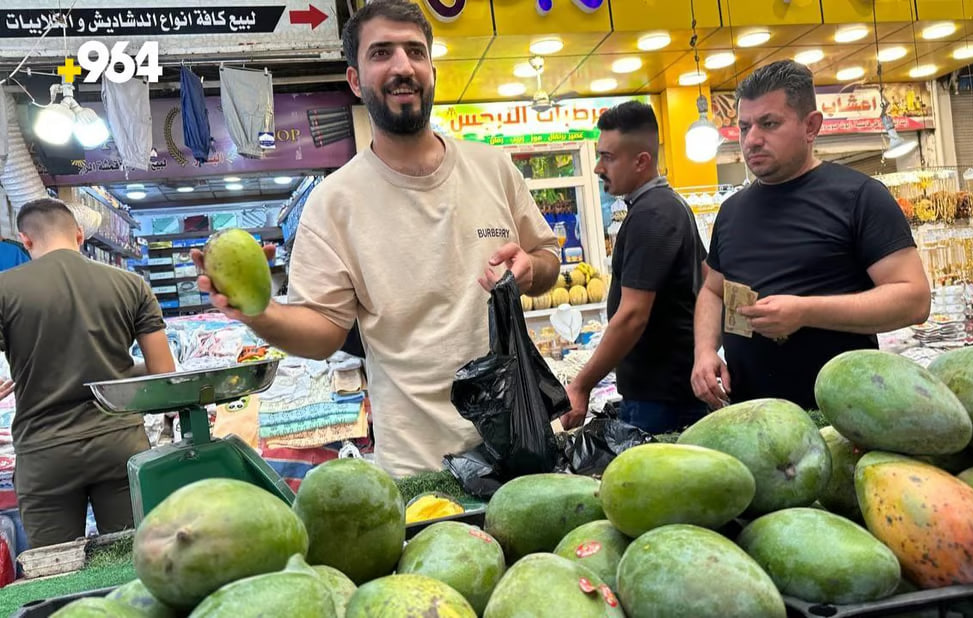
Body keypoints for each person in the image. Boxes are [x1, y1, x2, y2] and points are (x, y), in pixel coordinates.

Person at [195, 0, 560, 477]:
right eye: (381, 53)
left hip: (523, 447)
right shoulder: (334, 203)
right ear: (355, 79)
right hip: (419, 466)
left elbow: (547, 258)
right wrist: (258, 313)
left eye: (415, 51)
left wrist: (531, 269)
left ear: (432, 71)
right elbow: (324, 331)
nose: (402, 66)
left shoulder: (493, 168)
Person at [691, 60, 930, 412]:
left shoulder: (859, 197)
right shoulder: (731, 212)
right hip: (750, 415)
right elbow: (714, 291)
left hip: (842, 417)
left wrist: (805, 312)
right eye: (744, 127)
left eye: (769, 124)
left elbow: (914, 300)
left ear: (811, 126)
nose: (752, 139)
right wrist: (705, 351)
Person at [0, 198, 175, 548]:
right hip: (120, 444)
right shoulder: (131, 284)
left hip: (44, 452)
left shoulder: (5, 289)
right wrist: (117, 369)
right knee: (132, 558)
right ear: (79, 235)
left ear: (25, 240)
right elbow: (163, 373)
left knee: (55, 568)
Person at [561, 101, 707, 433]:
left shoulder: (651, 215)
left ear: (641, 161)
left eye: (607, 157)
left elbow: (632, 315)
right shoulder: (669, 204)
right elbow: (708, 281)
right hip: (670, 391)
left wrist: (581, 386)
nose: (598, 168)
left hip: (661, 400)